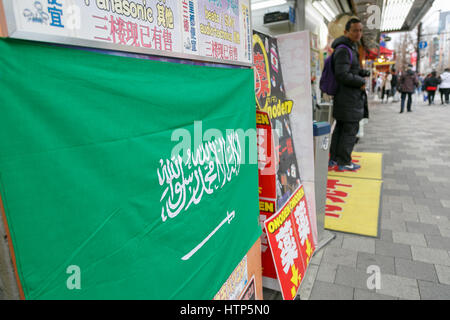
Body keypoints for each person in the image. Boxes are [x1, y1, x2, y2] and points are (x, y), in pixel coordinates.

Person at [328, 18, 369, 171]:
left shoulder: (347, 48)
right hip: (348, 99)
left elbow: (347, 70)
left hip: (345, 98)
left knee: (340, 129)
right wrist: (360, 81)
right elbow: (342, 74)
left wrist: (361, 72)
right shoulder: (345, 49)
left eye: (360, 30)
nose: (358, 33)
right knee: (349, 131)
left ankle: (334, 159)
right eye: (355, 30)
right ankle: (344, 161)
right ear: (346, 32)